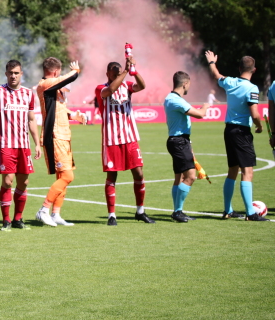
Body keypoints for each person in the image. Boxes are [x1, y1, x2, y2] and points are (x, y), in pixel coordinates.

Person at [205, 51, 266, 220]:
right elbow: (254, 114)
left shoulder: (230, 82)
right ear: (254, 70)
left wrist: (211, 62)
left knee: (232, 170)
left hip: (229, 130)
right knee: (247, 171)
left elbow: (216, 74)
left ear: (240, 68)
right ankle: (251, 213)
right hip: (241, 132)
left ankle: (228, 210)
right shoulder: (252, 88)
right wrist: (260, 126)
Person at [0, 60, 41, 231]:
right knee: (8, 181)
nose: (13, 76)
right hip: (6, 144)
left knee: (24, 182)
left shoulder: (28, 94)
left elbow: (31, 120)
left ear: (21, 74)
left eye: (16, 73)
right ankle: (6, 220)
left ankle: (18, 219)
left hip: (24, 145)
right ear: (6, 74)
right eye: (10, 73)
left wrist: (37, 143)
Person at [95, 57, 154, 225]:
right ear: (107, 73)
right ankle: (111, 215)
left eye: (117, 72)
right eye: (113, 73)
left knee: (139, 173)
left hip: (130, 138)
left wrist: (133, 71)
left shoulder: (127, 87)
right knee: (112, 176)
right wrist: (126, 72)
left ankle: (140, 211)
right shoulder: (101, 88)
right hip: (112, 139)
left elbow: (142, 86)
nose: (115, 75)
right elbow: (110, 90)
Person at [35, 58, 85, 227]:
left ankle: (56, 214)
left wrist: (75, 116)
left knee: (63, 175)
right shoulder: (45, 84)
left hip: (64, 135)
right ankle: (43, 210)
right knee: (68, 176)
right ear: (56, 72)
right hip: (55, 135)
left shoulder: (57, 90)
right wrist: (75, 71)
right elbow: (68, 78)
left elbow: (60, 110)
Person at [164, 71, 211, 222]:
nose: (189, 86)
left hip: (179, 141)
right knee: (190, 177)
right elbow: (199, 114)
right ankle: (177, 212)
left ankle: (177, 210)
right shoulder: (176, 100)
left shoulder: (170, 98)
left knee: (179, 177)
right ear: (184, 83)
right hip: (179, 142)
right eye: (189, 84)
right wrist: (205, 107)